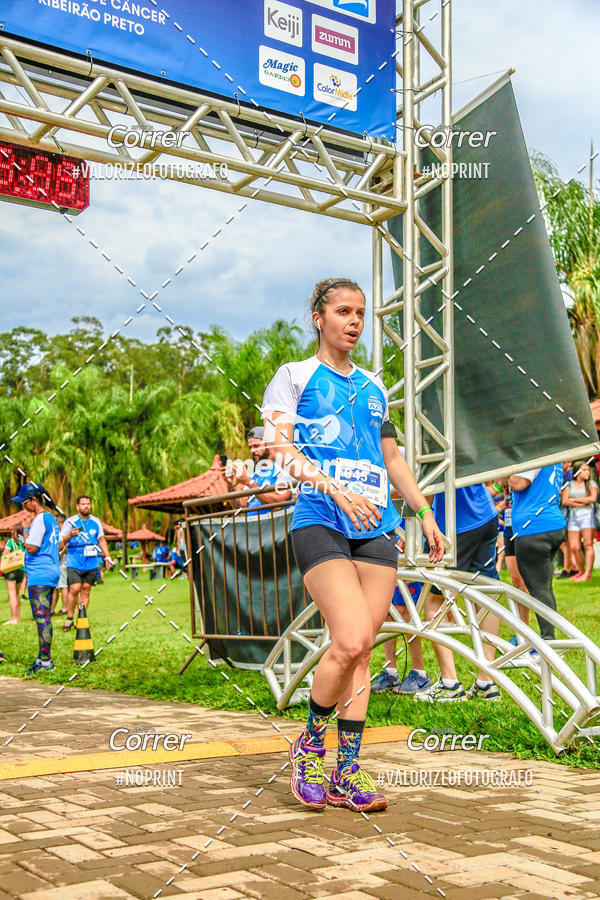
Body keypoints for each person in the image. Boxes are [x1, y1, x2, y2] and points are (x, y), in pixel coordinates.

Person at [261, 276, 445, 813]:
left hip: (377, 526)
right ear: (318, 318)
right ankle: (309, 748)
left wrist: (424, 513)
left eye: (361, 313)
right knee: (348, 639)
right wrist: (334, 489)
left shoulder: (373, 386)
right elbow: (279, 449)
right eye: (343, 311)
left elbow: (392, 459)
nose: (355, 321)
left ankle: (346, 772)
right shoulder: (295, 377)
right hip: (321, 518)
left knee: (364, 649)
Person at [413, 484, 501, 702]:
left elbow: (423, 488)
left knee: (434, 599)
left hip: (455, 524)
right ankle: (486, 681)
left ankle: (450, 682)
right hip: (486, 514)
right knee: (485, 596)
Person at [509, 464, 566, 642]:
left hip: (534, 527)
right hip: (551, 523)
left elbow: (518, 482)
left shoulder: (533, 454)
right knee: (544, 587)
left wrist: (506, 472)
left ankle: (548, 640)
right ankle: (549, 637)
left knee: (539, 589)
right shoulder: (554, 458)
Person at [11, 483, 60, 675]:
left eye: (24, 503)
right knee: (44, 616)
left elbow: (32, 547)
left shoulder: (40, 519)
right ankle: (42, 657)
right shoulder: (51, 519)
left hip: (40, 573)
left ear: (34, 500)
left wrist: (22, 535)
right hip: (50, 571)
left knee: (42, 618)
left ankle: (45, 660)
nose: (23, 507)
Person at [60, 496, 114, 631]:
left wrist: (107, 556)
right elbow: (61, 541)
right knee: (75, 588)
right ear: (77, 506)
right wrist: (70, 535)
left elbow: (101, 539)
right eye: (83, 504)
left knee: (86, 589)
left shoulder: (96, 521)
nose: (86, 506)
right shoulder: (70, 522)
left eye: (88, 504)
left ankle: (81, 619)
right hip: (74, 560)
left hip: (91, 561)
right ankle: (69, 618)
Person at [221, 426, 295, 514]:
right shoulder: (254, 475)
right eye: (250, 447)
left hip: (277, 522)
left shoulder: (285, 470)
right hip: (254, 523)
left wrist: (248, 482)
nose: (252, 450)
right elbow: (240, 506)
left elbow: (278, 503)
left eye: (256, 446)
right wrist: (230, 484)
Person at [563, 461, 598, 582]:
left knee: (587, 544)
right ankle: (581, 571)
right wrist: (582, 502)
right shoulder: (570, 484)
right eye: (584, 470)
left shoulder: (591, 484)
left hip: (587, 515)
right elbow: (565, 501)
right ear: (577, 472)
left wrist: (574, 500)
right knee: (574, 546)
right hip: (574, 515)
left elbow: (592, 498)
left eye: (588, 469)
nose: (587, 472)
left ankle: (587, 573)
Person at [2, 527, 26, 624]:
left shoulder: (11, 542)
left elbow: (5, 553)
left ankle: (13, 618)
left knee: (12, 594)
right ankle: (17, 617)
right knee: (17, 594)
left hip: (11, 569)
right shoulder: (23, 542)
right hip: (21, 569)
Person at [51, 516, 69, 616]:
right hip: (60, 563)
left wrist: (58, 556)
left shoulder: (62, 535)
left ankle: (64, 608)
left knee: (63, 586)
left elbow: (64, 548)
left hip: (62, 563)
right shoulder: (62, 534)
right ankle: (52, 609)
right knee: (57, 587)